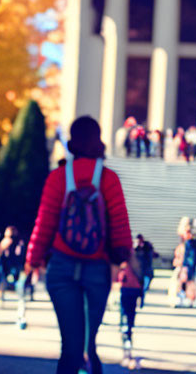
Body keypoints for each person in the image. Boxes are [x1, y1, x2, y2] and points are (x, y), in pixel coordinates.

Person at [26, 116, 132, 374]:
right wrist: (121, 260)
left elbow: (45, 222)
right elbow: (119, 223)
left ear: (72, 141)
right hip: (97, 267)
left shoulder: (58, 177)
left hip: (62, 266)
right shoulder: (109, 179)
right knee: (88, 343)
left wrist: (33, 258)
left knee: (70, 347)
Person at [117, 256, 143, 368]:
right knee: (128, 318)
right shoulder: (134, 260)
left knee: (126, 319)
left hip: (129, 289)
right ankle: (127, 343)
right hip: (130, 289)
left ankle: (127, 344)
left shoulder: (128, 260)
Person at [134, 234, 158, 306]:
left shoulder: (148, 247)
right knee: (138, 288)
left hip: (146, 272)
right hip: (138, 272)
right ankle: (138, 301)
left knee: (144, 288)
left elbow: (154, 255)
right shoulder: (135, 249)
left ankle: (141, 301)